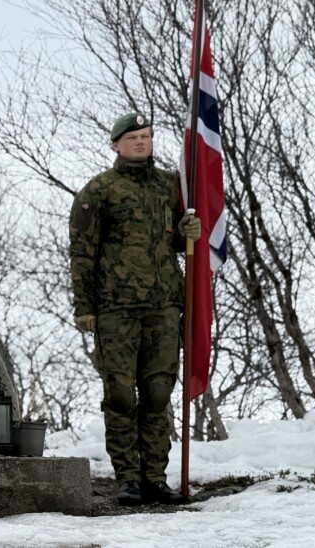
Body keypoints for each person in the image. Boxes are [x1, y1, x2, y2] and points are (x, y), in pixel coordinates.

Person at [69, 113, 201, 507]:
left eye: (146, 136)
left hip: (164, 305)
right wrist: (84, 307)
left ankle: (155, 478)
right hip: (116, 308)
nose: (141, 142)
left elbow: (176, 240)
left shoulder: (170, 186)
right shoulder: (99, 190)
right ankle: (128, 477)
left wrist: (187, 234)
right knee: (121, 395)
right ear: (116, 145)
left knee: (158, 394)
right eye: (133, 137)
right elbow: (82, 253)